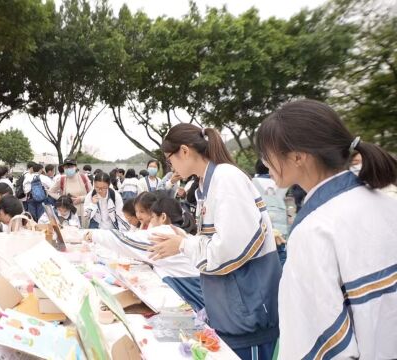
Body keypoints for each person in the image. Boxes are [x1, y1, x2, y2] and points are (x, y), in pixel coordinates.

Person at [255, 99, 397, 359]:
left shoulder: (315, 228)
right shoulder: (385, 203)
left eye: (267, 155)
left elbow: (319, 340)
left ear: (298, 156)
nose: (265, 163)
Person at [149, 124, 281, 359]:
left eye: (170, 159)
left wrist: (182, 245)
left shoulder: (226, 179)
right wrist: (186, 239)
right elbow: (219, 239)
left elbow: (229, 250)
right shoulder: (205, 184)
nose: (171, 166)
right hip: (232, 311)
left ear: (185, 151)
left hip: (247, 314)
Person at [87, 224, 204, 312]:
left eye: (143, 213)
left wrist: (93, 234)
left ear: (162, 217)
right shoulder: (182, 235)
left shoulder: (164, 234)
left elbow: (126, 241)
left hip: (196, 305)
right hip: (198, 299)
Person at [253, 159, 289, 265]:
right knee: (282, 254)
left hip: (263, 227)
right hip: (281, 225)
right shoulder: (282, 182)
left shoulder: (252, 183)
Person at [49, 158, 92, 227]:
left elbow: (92, 194)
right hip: (67, 214)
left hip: (83, 213)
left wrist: (81, 199)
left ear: (76, 167)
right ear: (63, 168)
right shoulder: (61, 179)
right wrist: (63, 198)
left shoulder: (83, 177)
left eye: (71, 166)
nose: (69, 169)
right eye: (66, 167)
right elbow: (50, 192)